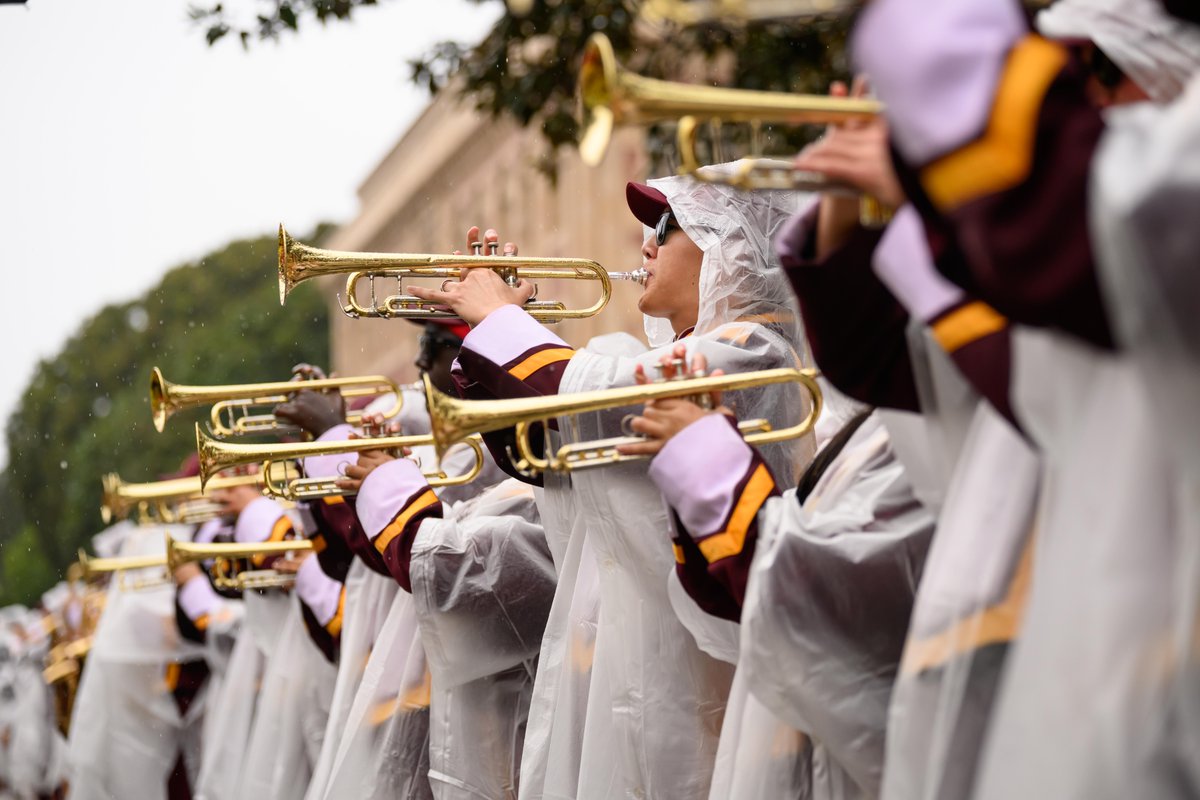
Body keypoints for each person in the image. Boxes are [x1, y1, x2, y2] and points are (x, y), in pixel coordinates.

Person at [849, 0, 1200, 795]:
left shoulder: (1150, 217)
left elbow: (1073, 228)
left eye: (1086, 74)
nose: (1078, 103)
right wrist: (861, 221)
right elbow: (891, 373)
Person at [407, 168, 815, 799]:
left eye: (666, 226)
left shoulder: (751, 352)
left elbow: (589, 401)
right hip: (637, 668)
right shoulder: (698, 350)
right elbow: (543, 454)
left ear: (732, 246)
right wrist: (490, 332)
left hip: (699, 678)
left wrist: (500, 325)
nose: (645, 245)